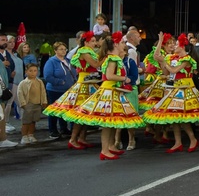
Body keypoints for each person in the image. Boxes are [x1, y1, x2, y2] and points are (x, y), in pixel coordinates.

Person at [67, 32, 145, 160]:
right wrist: (125, 79)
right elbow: (109, 76)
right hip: (109, 91)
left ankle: (109, 147)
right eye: (121, 43)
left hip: (112, 90)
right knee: (107, 123)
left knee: (111, 121)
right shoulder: (112, 58)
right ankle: (105, 150)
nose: (123, 45)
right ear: (115, 44)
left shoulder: (112, 58)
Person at [143, 33, 199, 153]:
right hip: (175, 88)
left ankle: (192, 139)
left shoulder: (187, 59)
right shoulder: (172, 58)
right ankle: (178, 142)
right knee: (175, 117)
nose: (174, 46)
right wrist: (160, 41)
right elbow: (160, 61)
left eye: (177, 44)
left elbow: (174, 70)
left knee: (182, 117)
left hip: (185, 89)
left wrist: (165, 63)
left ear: (183, 47)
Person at [42, 41, 76, 139]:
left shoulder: (68, 61)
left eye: (65, 49)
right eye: (61, 49)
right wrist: (60, 82)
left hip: (68, 90)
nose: (64, 51)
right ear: (55, 50)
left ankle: (64, 128)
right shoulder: (51, 61)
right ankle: (53, 130)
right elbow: (48, 76)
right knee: (54, 110)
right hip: (55, 90)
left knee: (65, 110)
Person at [17, 63, 48, 145]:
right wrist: (23, 104)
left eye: (35, 71)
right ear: (26, 71)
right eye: (30, 71)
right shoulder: (23, 83)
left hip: (37, 104)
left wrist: (44, 101)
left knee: (33, 121)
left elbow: (43, 92)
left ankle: (31, 134)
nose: (33, 73)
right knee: (26, 121)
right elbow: (20, 94)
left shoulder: (40, 82)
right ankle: (24, 136)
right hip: (28, 104)